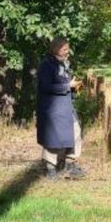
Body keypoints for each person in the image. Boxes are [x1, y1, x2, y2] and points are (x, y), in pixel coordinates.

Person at [36, 37, 85, 180]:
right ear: (55, 49)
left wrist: (75, 87)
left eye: (67, 49)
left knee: (75, 131)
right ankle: (50, 168)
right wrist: (67, 87)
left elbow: (67, 83)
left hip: (66, 107)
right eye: (64, 49)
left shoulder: (64, 64)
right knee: (53, 138)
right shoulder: (46, 65)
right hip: (52, 109)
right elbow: (45, 87)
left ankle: (70, 164)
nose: (67, 52)